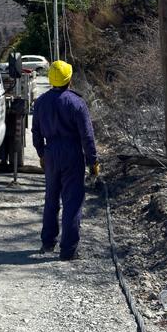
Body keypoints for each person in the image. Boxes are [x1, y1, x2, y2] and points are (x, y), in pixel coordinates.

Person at [32, 59, 99, 260]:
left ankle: (47, 242)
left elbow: (36, 132)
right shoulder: (77, 103)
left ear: (50, 79)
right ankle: (68, 250)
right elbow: (87, 136)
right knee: (72, 201)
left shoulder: (41, 102)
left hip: (51, 153)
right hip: (72, 154)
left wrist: (41, 154)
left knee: (51, 198)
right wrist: (92, 161)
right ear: (69, 80)